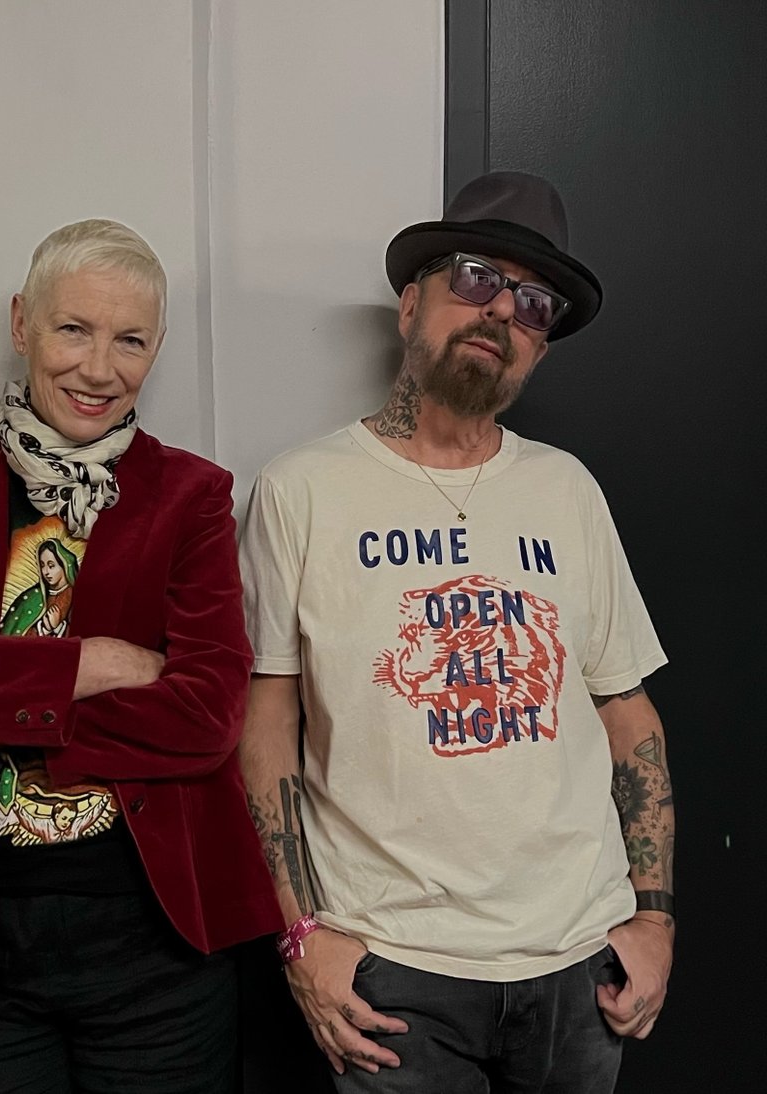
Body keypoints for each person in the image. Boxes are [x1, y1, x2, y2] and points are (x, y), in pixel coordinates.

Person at [238, 172, 674, 1093]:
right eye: (475, 278)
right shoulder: (301, 490)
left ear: (540, 347)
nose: (502, 312)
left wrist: (655, 916)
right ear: (410, 305)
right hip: (392, 970)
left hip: (577, 965)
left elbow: (627, 710)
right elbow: (266, 719)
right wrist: (303, 935)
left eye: (533, 303)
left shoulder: (568, 492)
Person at [0, 218, 281, 1093]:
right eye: (74, 329)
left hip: (154, 940)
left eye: (131, 340)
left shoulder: (191, 497)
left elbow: (206, 714)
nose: (99, 368)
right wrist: (101, 663)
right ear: (21, 325)